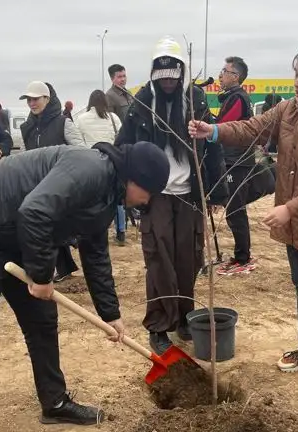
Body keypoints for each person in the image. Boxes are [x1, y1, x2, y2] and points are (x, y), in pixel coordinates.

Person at [0, 141, 170, 432]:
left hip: (13, 234)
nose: (148, 201)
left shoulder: (108, 194)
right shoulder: (90, 169)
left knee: (42, 323)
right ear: (133, 178)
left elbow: (95, 253)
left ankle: (55, 402)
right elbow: (34, 212)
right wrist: (43, 276)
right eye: (149, 192)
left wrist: (111, 314)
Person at [189, 43, 298, 389]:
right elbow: (251, 128)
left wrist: (289, 208)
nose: (297, 83)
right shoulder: (290, 110)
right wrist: (214, 132)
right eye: (296, 74)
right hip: (296, 219)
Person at [115, 36, 227, 354]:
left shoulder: (196, 99)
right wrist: (129, 189)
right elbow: (124, 146)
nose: (167, 81)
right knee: (159, 259)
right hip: (157, 195)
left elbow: (213, 146)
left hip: (189, 194)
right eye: (161, 75)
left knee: (188, 258)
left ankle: (185, 318)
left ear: (181, 71)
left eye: (173, 74)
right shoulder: (140, 104)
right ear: (154, 73)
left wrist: (217, 191)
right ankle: (160, 324)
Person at [20, 81, 87, 282]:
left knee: (59, 227)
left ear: (47, 99)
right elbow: (26, 156)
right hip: (37, 185)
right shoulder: (27, 127)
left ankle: (64, 266)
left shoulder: (63, 123)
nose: (32, 103)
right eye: (29, 99)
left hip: (61, 183)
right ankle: (60, 266)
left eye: (36, 99)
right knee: (45, 226)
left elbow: (81, 150)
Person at [216, 56, 257, 276]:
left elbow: (224, 128)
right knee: (234, 209)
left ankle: (244, 257)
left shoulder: (238, 98)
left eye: (224, 71)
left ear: (236, 76)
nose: (220, 75)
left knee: (236, 210)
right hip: (233, 159)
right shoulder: (231, 98)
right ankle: (241, 254)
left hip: (237, 161)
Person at [74, 90, 125, 245]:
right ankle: (121, 231)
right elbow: (121, 137)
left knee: (91, 199)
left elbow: (77, 141)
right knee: (117, 198)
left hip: (91, 161)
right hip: (112, 160)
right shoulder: (113, 118)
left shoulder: (81, 119)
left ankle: (93, 230)